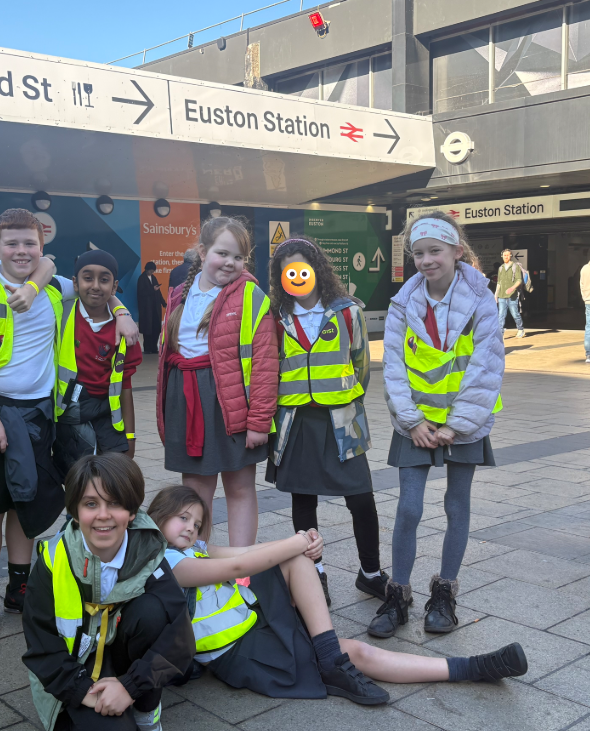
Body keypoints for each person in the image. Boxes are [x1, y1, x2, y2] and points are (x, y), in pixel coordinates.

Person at [148, 485, 528, 707]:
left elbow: (247, 553)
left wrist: (302, 542)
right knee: (357, 652)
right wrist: (298, 542)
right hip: (241, 652)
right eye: (183, 518)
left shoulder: (194, 549)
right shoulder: (168, 563)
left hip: (255, 624)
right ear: (157, 517)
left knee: (297, 563)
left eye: (197, 522)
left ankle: (334, 657)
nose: (191, 527)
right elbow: (236, 567)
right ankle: (470, 668)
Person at [0, 209, 138, 637]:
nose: (21, 251)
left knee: (27, 502)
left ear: (41, 248)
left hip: (40, 415)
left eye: (30, 244)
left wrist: (123, 312)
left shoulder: (56, 286)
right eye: (11, 244)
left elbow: (98, 289)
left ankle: (19, 586)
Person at [374, 211, 504, 639]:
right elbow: (393, 365)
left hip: (465, 421)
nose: (426, 260)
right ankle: (398, 593)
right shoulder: (402, 302)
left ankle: (445, 593)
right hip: (415, 421)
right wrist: (412, 420)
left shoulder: (482, 299)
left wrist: (458, 425)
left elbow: (486, 365)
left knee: (456, 506)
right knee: (409, 508)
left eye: (435, 251)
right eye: (418, 253)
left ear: (456, 252)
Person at [22, 454, 195, 731]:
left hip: (124, 662)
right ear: (75, 512)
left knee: (153, 612)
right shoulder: (53, 562)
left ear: (132, 512)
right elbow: (41, 645)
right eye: (91, 504)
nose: (103, 515)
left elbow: (179, 635)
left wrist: (129, 687)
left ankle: (147, 711)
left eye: (114, 503)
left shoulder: (149, 553)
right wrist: (84, 692)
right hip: (75, 670)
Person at [265, 238, 383, 607]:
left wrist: (344, 397)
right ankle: (314, 575)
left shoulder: (348, 312)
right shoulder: (274, 318)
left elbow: (361, 366)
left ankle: (371, 574)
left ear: (317, 269)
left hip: (342, 420)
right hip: (296, 420)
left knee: (361, 498)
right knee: (304, 501)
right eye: (288, 271)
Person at [156, 216, 277, 547]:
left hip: (230, 404)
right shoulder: (178, 294)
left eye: (239, 257)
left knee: (239, 487)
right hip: (186, 401)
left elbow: (265, 365)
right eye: (222, 253)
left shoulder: (251, 295)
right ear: (202, 252)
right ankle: (198, 562)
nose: (230, 263)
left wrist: (259, 422)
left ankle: (241, 566)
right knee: (194, 491)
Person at [53, 249, 143, 475]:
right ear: (75, 283)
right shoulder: (60, 314)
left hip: (108, 418)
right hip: (69, 417)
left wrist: (130, 436)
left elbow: (126, 385)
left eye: (104, 280)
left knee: (112, 478)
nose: (95, 286)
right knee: (77, 479)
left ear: (114, 287)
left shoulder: (125, 331)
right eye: (87, 278)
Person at [136, 262, 165, 354]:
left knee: (156, 327)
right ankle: (147, 348)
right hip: (146, 308)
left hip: (155, 307)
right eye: (151, 270)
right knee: (147, 328)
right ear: (147, 269)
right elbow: (141, 293)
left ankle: (154, 347)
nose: (152, 272)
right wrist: (152, 289)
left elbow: (158, 292)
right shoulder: (141, 278)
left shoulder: (154, 278)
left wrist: (163, 303)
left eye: (153, 271)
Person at [495, 249, 525, 338]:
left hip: (512, 296)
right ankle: (500, 333)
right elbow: (499, 282)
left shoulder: (515, 267)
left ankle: (520, 329)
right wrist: (496, 294)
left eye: (508, 255)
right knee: (501, 315)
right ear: (502, 256)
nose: (506, 257)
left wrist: (512, 288)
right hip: (501, 295)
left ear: (511, 256)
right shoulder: (501, 268)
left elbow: (519, 280)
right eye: (504, 255)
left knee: (515, 314)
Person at [582, 259, 590, 364]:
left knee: (588, 327)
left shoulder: (584, 269)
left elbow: (582, 285)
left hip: (588, 301)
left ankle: (588, 354)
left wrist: (585, 298)